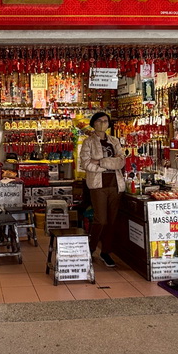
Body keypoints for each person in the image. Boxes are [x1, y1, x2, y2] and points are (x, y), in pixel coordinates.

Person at [79, 112, 126, 267]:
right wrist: (108, 164)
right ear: (93, 123)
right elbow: (85, 164)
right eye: (99, 121)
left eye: (105, 121)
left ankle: (105, 252)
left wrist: (100, 162)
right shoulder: (88, 142)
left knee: (112, 221)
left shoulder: (114, 141)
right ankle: (91, 247)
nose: (102, 124)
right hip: (98, 185)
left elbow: (121, 162)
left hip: (115, 185)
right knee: (101, 220)